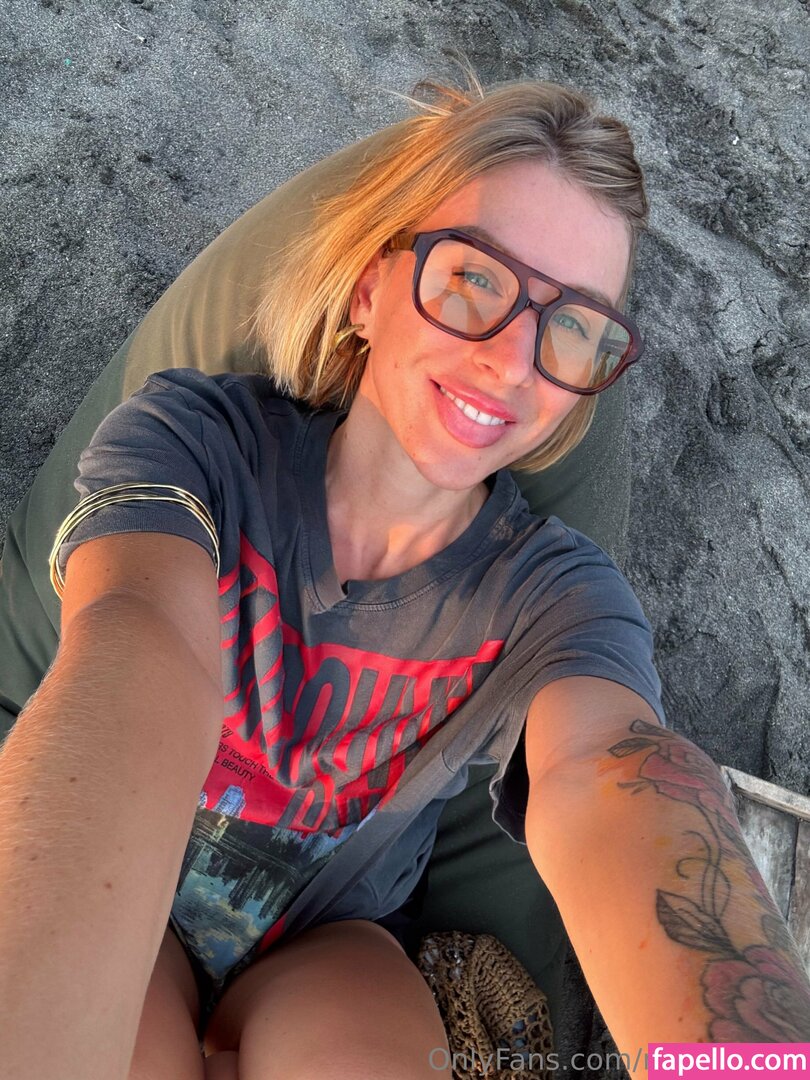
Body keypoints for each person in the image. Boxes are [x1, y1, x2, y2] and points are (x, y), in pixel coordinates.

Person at [1, 74, 808, 1080]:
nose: (514, 360)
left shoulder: (557, 595)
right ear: (370, 289)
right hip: (134, 868)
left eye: (573, 326)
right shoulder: (193, 441)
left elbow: (610, 775)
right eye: (474, 278)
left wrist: (744, 1062)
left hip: (335, 946)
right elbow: (136, 641)